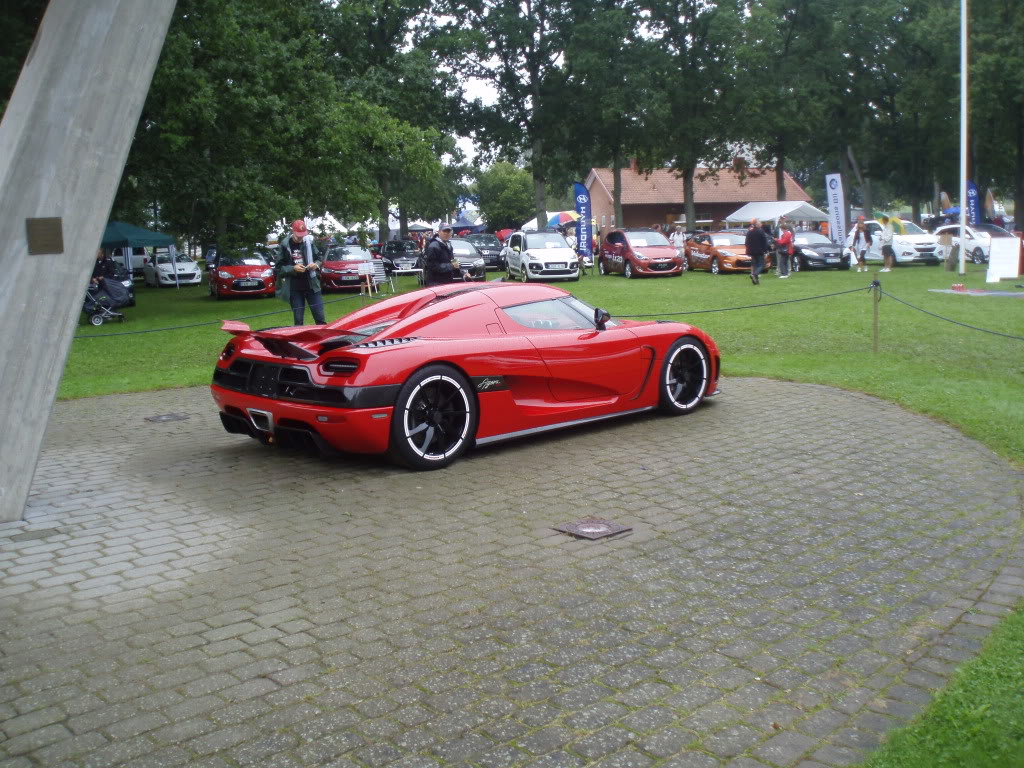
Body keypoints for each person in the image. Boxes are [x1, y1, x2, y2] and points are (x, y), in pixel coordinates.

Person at [276, 219, 325, 325]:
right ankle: (299, 341)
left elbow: (319, 259)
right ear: (292, 231)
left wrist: (315, 265)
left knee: (320, 317)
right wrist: (293, 268)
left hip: (312, 285)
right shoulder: (285, 246)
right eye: (298, 235)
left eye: (303, 234)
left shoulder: (309, 242)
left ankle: (325, 340)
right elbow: (279, 268)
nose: (301, 237)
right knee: (298, 320)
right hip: (295, 288)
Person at [745, 218, 769, 285]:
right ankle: (755, 274)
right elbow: (764, 242)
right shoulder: (761, 231)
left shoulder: (750, 232)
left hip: (752, 251)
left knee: (754, 265)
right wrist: (766, 250)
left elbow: (747, 242)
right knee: (761, 264)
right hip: (760, 251)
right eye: (760, 222)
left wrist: (748, 251)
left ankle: (756, 280)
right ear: (757, 224)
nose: (761, 223)